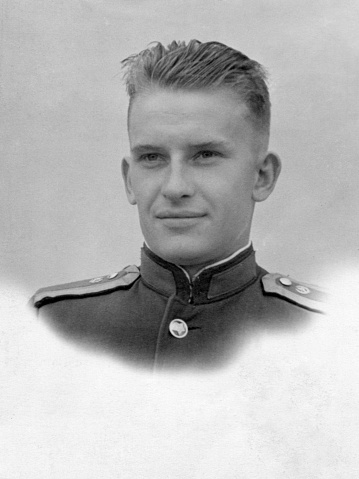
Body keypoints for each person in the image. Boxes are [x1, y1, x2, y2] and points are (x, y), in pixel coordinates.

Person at [31, 40, 327, 371]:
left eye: (205, 155)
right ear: (130, 180)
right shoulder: (49, 326)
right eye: (152, 157)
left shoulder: (332, 337)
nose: (175, 187)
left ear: (262, 177)